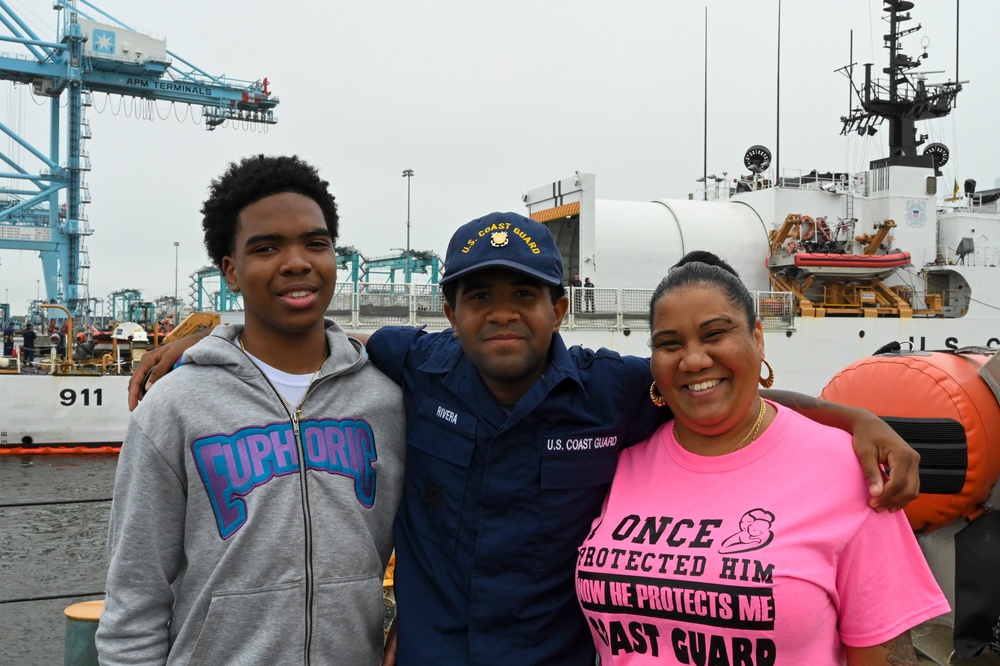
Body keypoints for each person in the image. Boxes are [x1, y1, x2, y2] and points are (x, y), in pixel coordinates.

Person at [129, 212, 920, 666]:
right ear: (447, 310)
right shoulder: (416, 364)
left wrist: (852, 418)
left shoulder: (611, 390)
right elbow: (315, 337)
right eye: (479, 296)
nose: (501, 311)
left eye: (524, 294)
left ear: (561, 309)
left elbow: (711, 387)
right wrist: (211, 336)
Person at [96, 154, 406, 665]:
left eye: (316, 243)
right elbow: (135, 598)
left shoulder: (386, 398)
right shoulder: (175, 408)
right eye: (267, 247)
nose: (297, 262)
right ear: (231, 271)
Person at [575, 251, 948, 664]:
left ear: (757, 337)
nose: (694, 359)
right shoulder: (621, 461)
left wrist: (856, 419)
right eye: (670, 343)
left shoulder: (849, 472)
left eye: (715, 334)